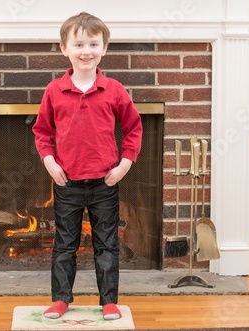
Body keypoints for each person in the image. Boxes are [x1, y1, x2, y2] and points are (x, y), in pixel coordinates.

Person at [32, 11, 143, 320]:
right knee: (64, 244)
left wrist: (124, 165)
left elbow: (134, 129)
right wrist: (49, 162)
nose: (86, 51)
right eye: (78, 44)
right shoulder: (55, 91)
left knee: (107, 245)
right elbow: (42, 131)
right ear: (64, 48)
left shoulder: (114, 90)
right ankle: (60, 299)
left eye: (93, 44)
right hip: (66, 183)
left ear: (104, 48)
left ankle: (108, 301)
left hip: (104, 184)